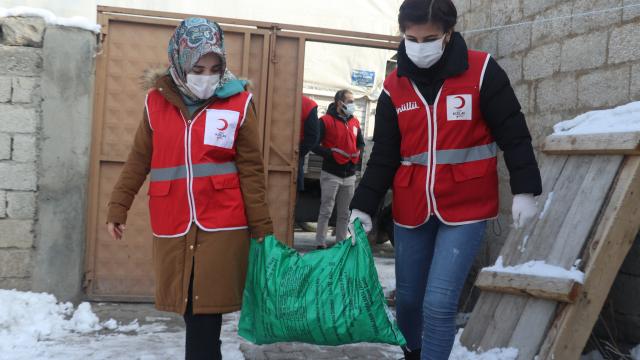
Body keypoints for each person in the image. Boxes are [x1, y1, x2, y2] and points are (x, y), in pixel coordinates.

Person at [349, 1, 542, 359]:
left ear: (449, 33)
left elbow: (514, 133)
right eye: (411, 38)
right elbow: (385, 154)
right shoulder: (395, 86)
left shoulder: (482, 72)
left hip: (466, 207)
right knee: (408, 300)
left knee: (438, 304)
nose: (420, 46)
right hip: (411, 209)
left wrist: (525, 189)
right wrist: (363, 205)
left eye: (430, 38)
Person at [105, 18, 272, 360]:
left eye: (214, 67)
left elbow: (252, 171)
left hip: (222, 225)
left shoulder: (239, 103)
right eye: (198, 67)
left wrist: (262, 229)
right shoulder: (155, 103)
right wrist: (117, 207)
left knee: (204, 313)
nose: (206, 76)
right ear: (180, 61)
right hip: (174, 221)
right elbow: (139, 160)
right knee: (189, 306)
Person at [312, 89, 365, 249]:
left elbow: (360, 143)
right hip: (331, 174)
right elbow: (314, 145)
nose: (352, 104)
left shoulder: (355, 122)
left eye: (352, 101)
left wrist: (358, 153)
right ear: (339, 103)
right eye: (349, 101)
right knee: (326, 210)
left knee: (344, 213)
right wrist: (331, 154)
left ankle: (341, 244)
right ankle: (320, 244)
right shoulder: (325, 121)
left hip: (349, 175)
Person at [297, 95, 320, 192]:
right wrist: (298, 154)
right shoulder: (308, 104)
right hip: (294, 157)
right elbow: (313, 136)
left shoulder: (264, 96)